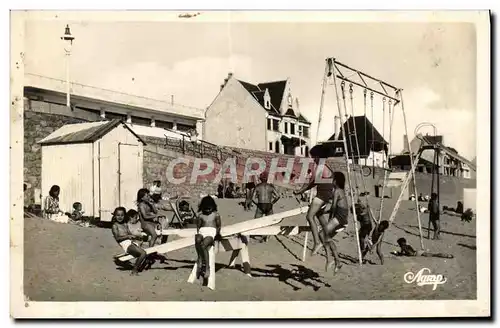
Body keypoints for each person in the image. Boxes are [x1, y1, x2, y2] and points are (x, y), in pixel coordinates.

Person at [293, 158, 336, 257]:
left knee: (309, 217)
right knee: (319, 214)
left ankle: (317, 242)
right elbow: (314, 183)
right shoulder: (326, 166)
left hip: (322, 195)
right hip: (326, 193)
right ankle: (327, 235)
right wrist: (301, 191)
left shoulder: (321, 166)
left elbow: (311, 182)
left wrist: (300, 190)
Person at [111, 207, 148, 275]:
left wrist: (136, 236)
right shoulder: (115, 226)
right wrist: (128, 236)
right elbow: (117, 238)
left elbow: (129, 234)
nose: (120, 217)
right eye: (118, 215)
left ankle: (136, 266)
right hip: (125, 244)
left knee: (147, 250)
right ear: (115, 216)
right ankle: (134, 270)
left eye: (122, 215)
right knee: (143, 253)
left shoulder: (125, 224)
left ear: (124, 215)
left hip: (131, 242)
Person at [195, 196, 222, 279]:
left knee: (203, 245)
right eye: (205, 209)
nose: (207, 211)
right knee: (197, 239)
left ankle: (207, 267)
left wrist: (217, 235)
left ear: (213, 207)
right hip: (202, 231)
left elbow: (218, 226)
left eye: (209, 209)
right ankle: (200, 258)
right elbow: (198, 227)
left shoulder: (216, 215)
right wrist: (199, 233)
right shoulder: (200, 216)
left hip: (211, 232)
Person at [251, 172, 281, 242]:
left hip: (261, 204)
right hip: (268, 205)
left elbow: (252, 198)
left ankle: (258, 235)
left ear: (260, 179)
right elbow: (278, 196)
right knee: (270, 221)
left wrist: (257, 204)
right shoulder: (270, 186)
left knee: (257, 220)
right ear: (267, 179)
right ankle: (267, 236)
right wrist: (272, 203)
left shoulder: (258, 186)